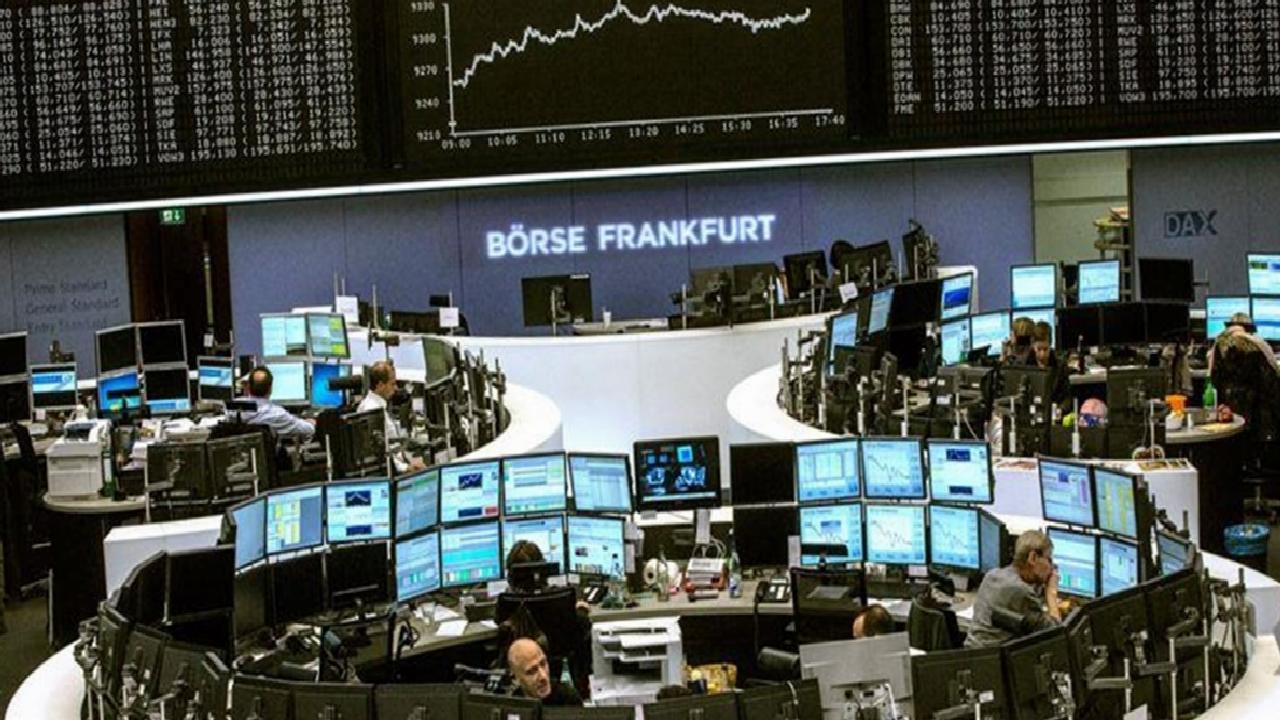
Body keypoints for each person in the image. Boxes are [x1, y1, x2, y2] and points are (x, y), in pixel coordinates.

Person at [965, 530, 1062, 648]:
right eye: (1049, 559)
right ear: (1033, 558)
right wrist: (1051, 592)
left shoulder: (993, 575)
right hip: (994, 658)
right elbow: (1056, 634)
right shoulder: (1020, 590)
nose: (1052, 567)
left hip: (974, 653)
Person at [356, 361, 425, 473]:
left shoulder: (378, 405)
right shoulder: (372, 410)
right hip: (392, 472)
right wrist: (406, 468)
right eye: (392, 384)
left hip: (398, 466)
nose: (396, 388)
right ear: (380, 385)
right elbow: (379, 454)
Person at [237, 367, 315, 441]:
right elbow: (308, 430)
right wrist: (311, 423)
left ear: (249, 387)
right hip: (268, 450)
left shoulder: (234, 408)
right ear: (270, 389)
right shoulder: (278, 414)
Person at [507, 638, 583, 706]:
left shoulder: (568, 699)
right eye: (532, 671)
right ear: (516, 678)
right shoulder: (512, 705)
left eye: (543, 664)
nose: (543, 676)